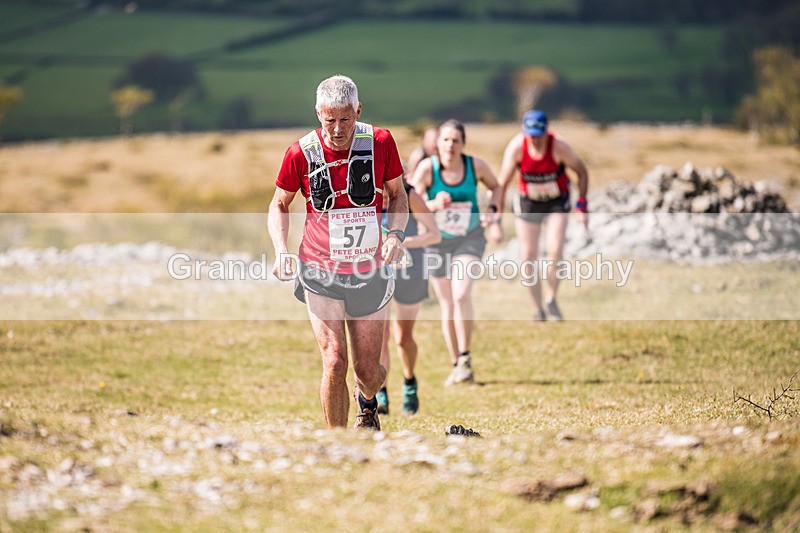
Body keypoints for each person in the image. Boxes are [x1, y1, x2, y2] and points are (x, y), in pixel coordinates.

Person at [267, 75, 408, 431]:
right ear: (318, 113)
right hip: (319, 268)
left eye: (346, 119)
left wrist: (395, 234)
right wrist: (281, 249)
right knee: (334, 361)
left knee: (367, 370)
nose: (338, 128)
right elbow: (279, 204)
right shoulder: (300, 152)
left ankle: (369, 401)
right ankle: (338, 445)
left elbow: (398, 195)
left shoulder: (380, 142)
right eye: (330, 119)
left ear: (358, 111)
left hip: (370, 269)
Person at [409, 119, 503, 386]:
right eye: (445, 140)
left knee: (461, 294)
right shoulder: (428, 169)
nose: (450, 145)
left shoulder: (475, 166)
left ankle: (465, 357)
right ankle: (457, 364)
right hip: (436, 241)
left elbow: (496, 187)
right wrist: (432, 203)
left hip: (469, 239)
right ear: (437, 143)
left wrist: (493, 212)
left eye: (455, 140)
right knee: (447, 304)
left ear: (463, 144)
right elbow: (408, 201)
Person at [496, 110, 589, 321]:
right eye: (531, 134)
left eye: (539, 133)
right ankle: (538, 309)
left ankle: (551, 298)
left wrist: (582, 205)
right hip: (528, 202)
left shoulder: (560, 146)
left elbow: (582, 172)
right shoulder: (517, 147)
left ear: (547, 131)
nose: (535, 139)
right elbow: (502, 184)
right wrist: (497, 219)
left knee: (555, 251)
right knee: (528, 257)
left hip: (557, 201)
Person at [376, 182, 441, 415]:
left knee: (403, 338)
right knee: (379, 338)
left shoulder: (409, 195)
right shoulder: (364, 193)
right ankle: (380, 393)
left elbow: (434, 234)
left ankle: (409, 382)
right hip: (378, 274)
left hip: (410, 271)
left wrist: (401, 242)